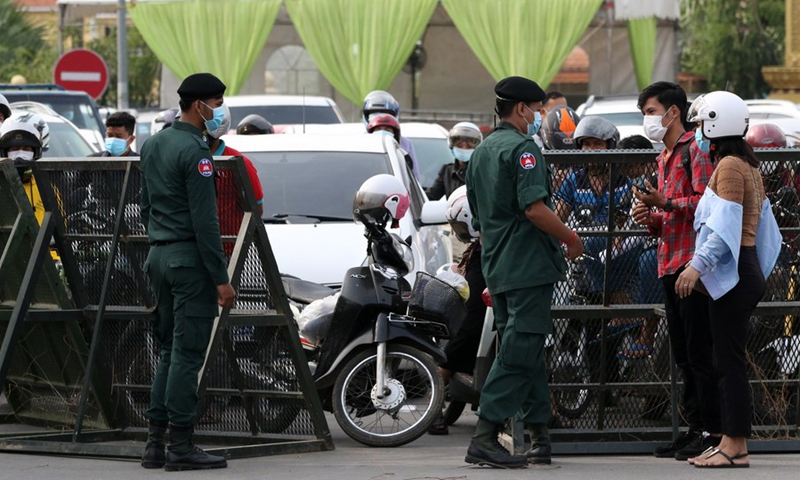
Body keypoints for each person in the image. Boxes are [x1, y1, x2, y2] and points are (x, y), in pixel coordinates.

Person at [464, 76, 584, 468]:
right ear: (521, 109)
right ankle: (485, 434)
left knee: (528, 349)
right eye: (536, 109)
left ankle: (539, 436)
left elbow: (478, 216)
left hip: (498, 265)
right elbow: (534, 208)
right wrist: (570, 237)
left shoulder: (481, 153)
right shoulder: (524, 151)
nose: (538, 116)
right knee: (520, 350)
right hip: (527, 265)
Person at [676, 91, 780, 468]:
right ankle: (729, 442)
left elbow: (726, 228)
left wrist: (696, 266)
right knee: (726, 359)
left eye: (703, 124)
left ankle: (734, 445)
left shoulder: (732, 166)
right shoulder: (744, 163)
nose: (700, 133)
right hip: (743, 270)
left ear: (718, 124)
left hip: (735, 273)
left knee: (728, 362)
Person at [139, 72, 235, 472]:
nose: (219, 110)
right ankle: (181, 444)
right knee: (187, 353)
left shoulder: (153, 144)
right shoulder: (197, 153)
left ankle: (154, 444)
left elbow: (145, 206)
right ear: (200, 106)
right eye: (216, 102)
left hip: (159, 257)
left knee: (167, 350)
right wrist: (221, 277)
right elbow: (205, 222)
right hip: (189, 261)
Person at [632, 81, 720, 460]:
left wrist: (664, 202)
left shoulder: (694, 151)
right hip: (669, 264)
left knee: (700, 352)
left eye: (651, 111)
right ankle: (694, 427)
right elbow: (671, 216)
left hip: (692, 267)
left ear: (673, 112)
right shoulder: (662, 157)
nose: (648, 120)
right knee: (684, 354)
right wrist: (650, 216)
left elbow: (706, 204)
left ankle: (712, 431)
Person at [427, 186, 487, 436]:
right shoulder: (476, 248)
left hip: (500, 259)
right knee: (468, 329)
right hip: (485, 261)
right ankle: (433, 408)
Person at [555, 116, 633, 305]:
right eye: (586, 144)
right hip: (585, 252)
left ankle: (619, 302)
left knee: (596, 242)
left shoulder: (624, 180)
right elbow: (558, 218)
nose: (590, 149)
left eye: (597, 144)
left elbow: (633, 217)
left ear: (610, 146)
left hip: (622, 247)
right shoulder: (574, 181)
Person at [362, 90, 419, 178]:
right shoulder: (361, 143)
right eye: (378, 128)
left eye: (387, 128)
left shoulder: (405, 145)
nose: (380, 117)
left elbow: (413, 176)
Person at [426, 122, 483, 201]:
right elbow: (431, 196)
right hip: (453, 213)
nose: (464, 149)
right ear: (452, 146)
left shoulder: (483, 171)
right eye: (459, 146)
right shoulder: (447, 171)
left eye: (468, 146)